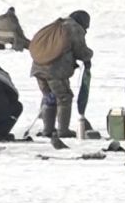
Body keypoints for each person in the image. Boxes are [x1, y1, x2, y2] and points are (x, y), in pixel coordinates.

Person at [29, 10, 92, 138]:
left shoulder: (56, 26)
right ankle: (63, 131)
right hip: (54, 70)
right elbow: (81, 50)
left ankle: (48, 130)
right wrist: (89, 55)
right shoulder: (74, 28)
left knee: (50, 97)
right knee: (64, 98)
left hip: (38, 67)